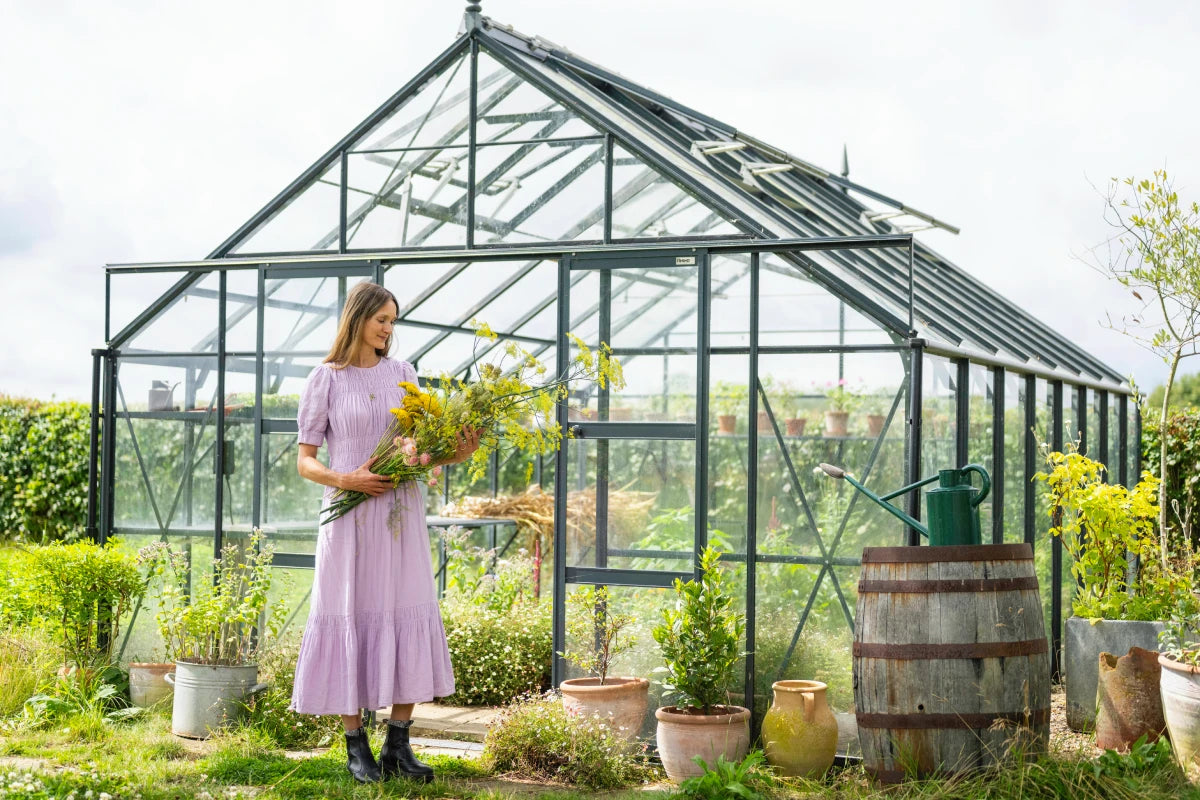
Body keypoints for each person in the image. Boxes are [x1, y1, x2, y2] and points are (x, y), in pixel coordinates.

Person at [290, 282, 480, 784]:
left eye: (393, 321)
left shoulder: (404, 375)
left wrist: (453, 453)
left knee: (406, 609)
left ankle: (399, 742)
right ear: (357, 318)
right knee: (348, 612)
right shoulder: (325, 378)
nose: (387, 329)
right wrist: (346, 479)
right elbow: (305, 462)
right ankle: (356, 747)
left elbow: (417, 451)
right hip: (350, 517)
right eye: (381, 319)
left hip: (400, 514)